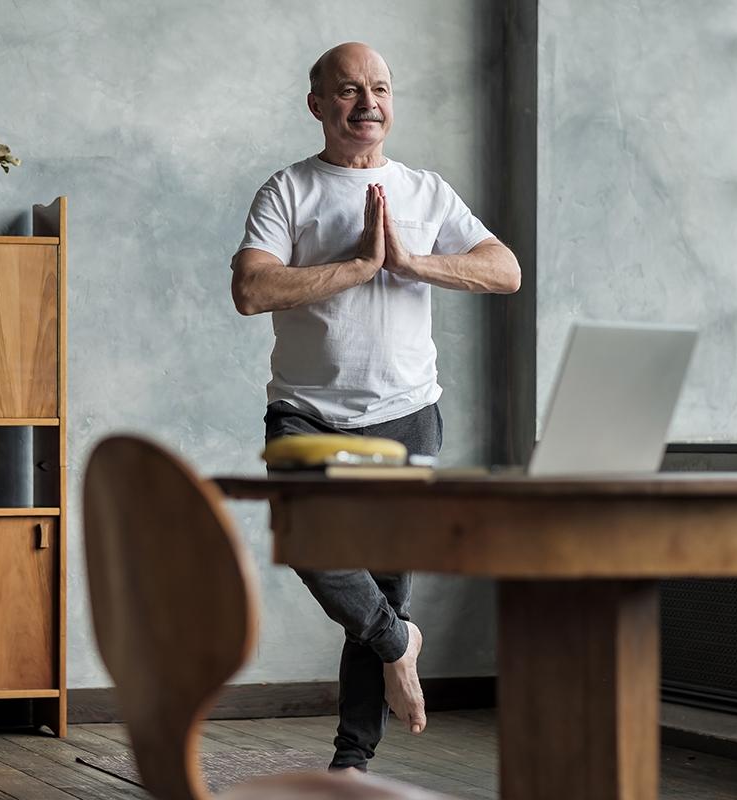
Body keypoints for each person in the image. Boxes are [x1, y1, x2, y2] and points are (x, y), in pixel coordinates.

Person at [230, 42, 521, 773]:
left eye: (381, 88)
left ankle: (351, 763)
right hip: (307, 413)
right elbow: (251, 290)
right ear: (319, 105)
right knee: (309, 543)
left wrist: (411, 263)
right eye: (350, 89)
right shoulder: (288, 191)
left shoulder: (423, 191)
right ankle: (400, 642)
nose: (368, 102)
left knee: (384, 588)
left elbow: (505, 270)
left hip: (403, 414)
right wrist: (355, 268)